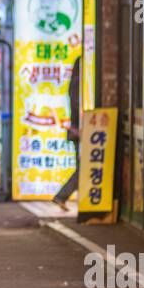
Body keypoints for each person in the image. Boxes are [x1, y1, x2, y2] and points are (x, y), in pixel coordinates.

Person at [53, 54, 81, 211]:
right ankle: (62, 195)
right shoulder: (79, 86)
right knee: (84, 167)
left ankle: (62, 196)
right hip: (80, 130)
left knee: (83, 166)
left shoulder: (75, 85)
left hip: (77, 129)